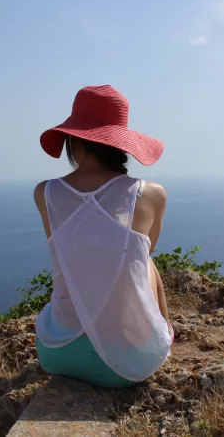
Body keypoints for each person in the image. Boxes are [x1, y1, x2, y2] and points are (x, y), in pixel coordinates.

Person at [33, 85, 173, 389]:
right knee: (145, 259)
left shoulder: (46, 193)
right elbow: (140, 261)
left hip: (58, 354)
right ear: (120, 144)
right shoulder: (150, 194)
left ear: (74, 142)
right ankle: (164, 332)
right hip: (129, 363)